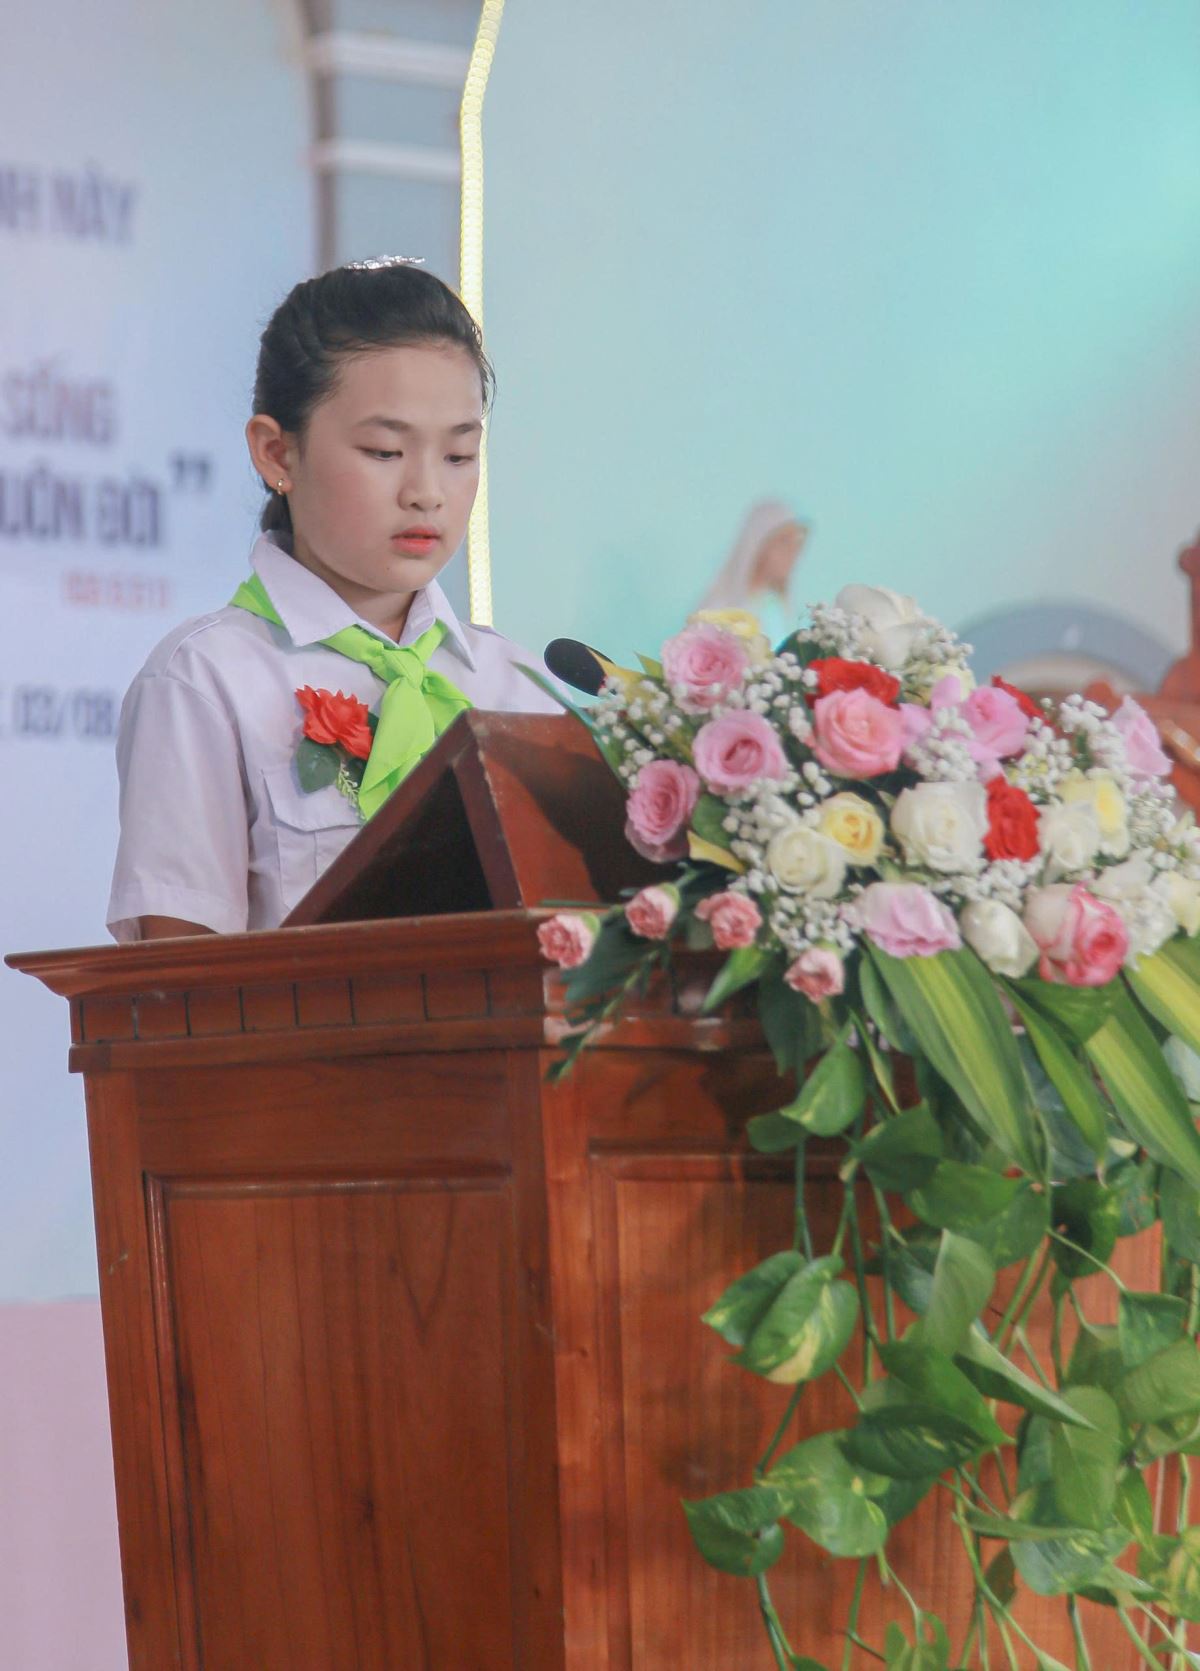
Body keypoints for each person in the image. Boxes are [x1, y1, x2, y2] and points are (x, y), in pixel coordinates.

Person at [106, 259, 562, 941]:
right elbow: (182, 985)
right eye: (384, 451)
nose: (426, 493)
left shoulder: (519, 687)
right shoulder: (205, 681)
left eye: (458, 456)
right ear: (276, 453)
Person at [695, 499, 809, 646]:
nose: (792, 553)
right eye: (784, 542)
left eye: (796, 544)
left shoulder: (777, 608)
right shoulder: (719, 609)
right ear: (759, 543)